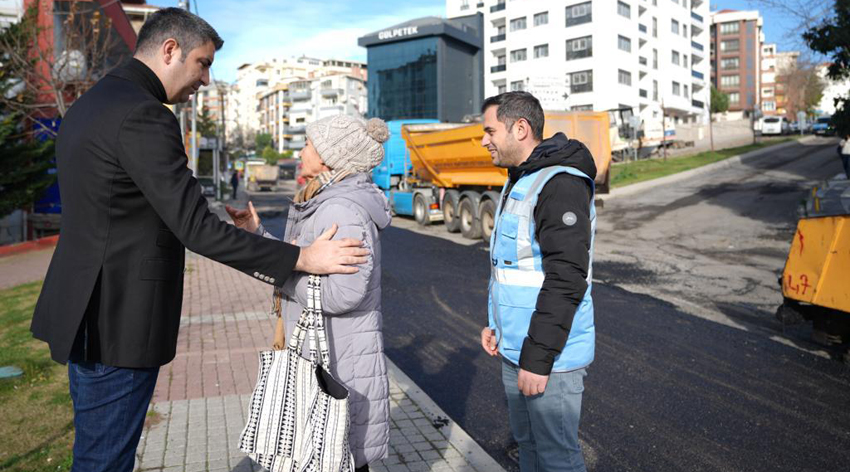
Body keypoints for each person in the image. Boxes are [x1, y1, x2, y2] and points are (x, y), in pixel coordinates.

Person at [29, 9, 368, 472]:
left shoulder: (93, 103)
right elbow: (196, 230)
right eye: (203, 64)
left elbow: (127, 205)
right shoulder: (145, 115)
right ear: (170, 50)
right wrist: (303, 257)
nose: (205, 80)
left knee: (96, 453)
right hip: (117, 321)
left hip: (87, 313)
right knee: (104, 460)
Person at [227, 114, 392, 472]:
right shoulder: (325, 199)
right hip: (329, 353)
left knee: (335, 455)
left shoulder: (340, 209)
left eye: (308, 144)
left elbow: (343, 293)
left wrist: (283, 275)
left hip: (338, 360)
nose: (301, 150)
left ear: (329, 155)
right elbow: (305, 262)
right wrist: (257, 234)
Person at [478, 92, 597, 472]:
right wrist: (494, 324)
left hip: (548, 358)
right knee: (528, 448)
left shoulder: (560, 184)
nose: (484, 140)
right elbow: (511, 267)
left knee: (557, 459)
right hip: (515, 349)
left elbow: (566, 279)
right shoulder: (521, 179)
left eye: (489, 130)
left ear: (521, 128)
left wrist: (539, 360)